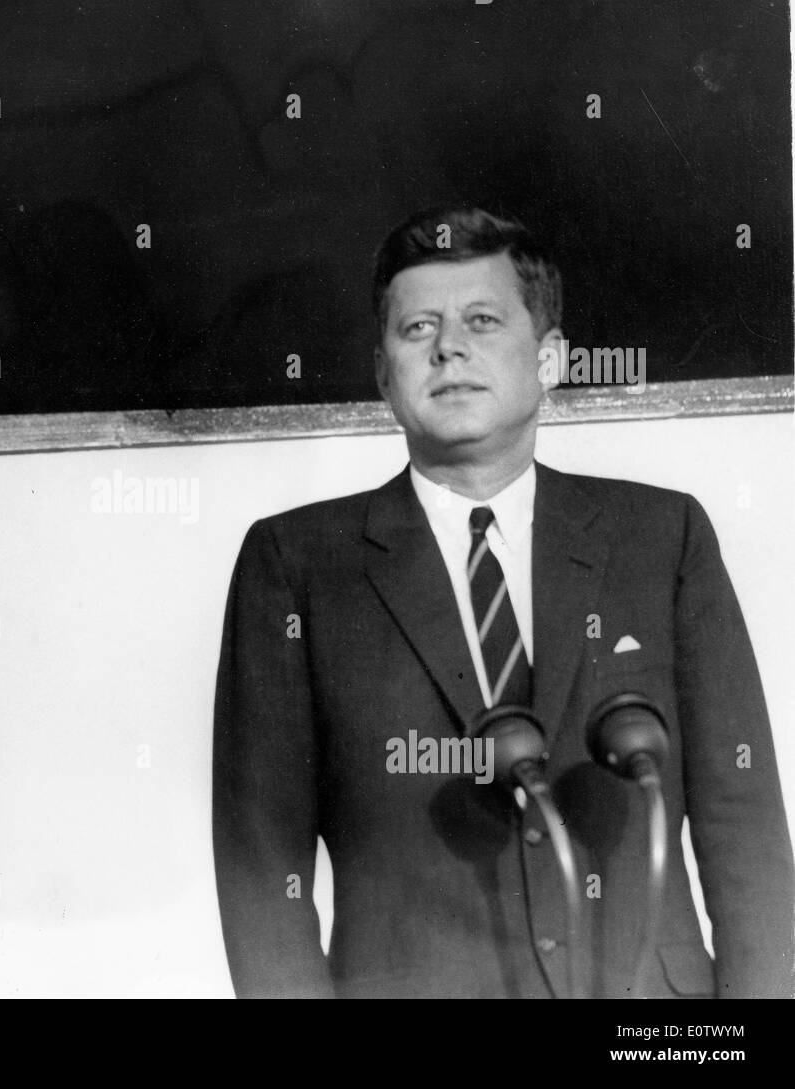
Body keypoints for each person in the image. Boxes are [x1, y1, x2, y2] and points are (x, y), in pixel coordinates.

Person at [212, 206, 795, 998]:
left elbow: (745, 825)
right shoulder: (296, 565)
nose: (449, 345)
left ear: (550, 358)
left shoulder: (664, 538)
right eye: (418, 327)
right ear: (384, 375)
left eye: (482, 319)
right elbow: (260, 874)